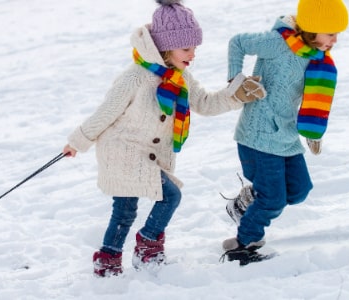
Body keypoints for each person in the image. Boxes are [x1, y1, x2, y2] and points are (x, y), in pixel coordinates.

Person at [62, 0, 266, 277]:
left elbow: (205, 103)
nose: (192, 54)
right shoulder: (135, 78)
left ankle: (110, 258)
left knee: (127, 209)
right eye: (186, 48)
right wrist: (77, 142)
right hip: (121, 151)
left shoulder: (181, 77)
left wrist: (236, 96)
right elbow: (106, 113)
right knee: (165, 196)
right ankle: (146, 248)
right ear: (166, 47)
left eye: (195, 48)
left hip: (146, 154)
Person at [221, 0, 349, 265]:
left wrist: (313, 131)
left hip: (286, 135)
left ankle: (247, 204)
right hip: (259, 134)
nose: (335, 40)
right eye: (330, 34)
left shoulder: (316, 57)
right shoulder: (278, 42)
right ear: (312, 28)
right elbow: (238, 42)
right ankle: (243, 246)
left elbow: (313, 98)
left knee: (299, 189)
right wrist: (236, 80)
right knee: (273, 199)